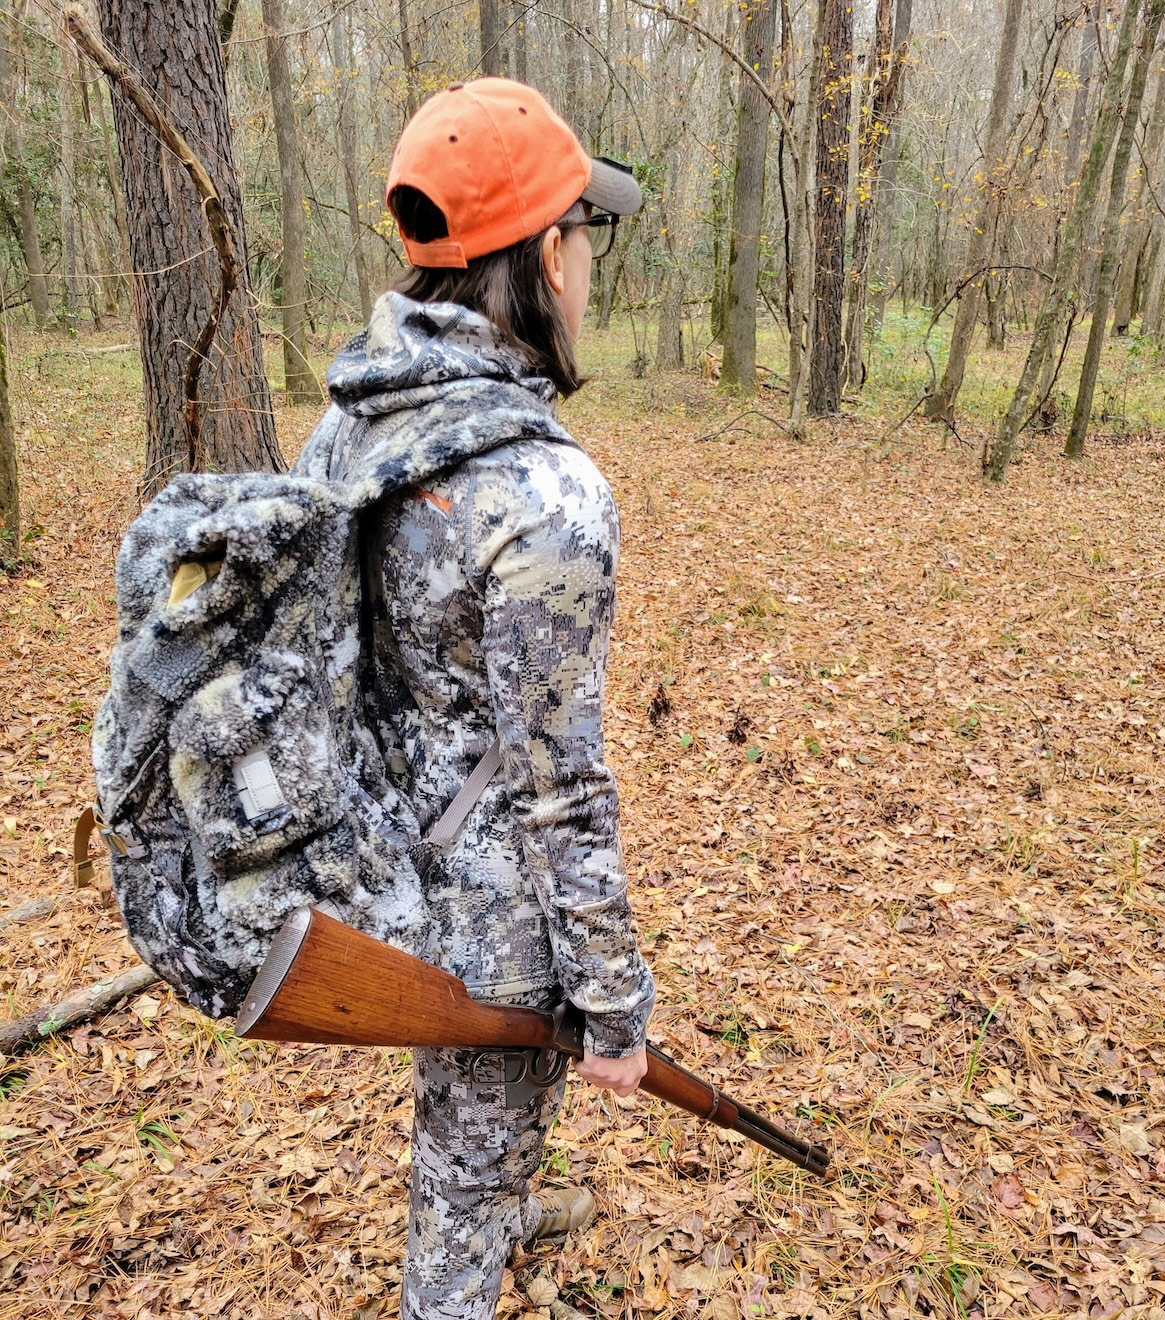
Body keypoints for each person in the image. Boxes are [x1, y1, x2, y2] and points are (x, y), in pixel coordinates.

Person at [291, 79, 656, 1319]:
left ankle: (494, 1201)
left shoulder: (350, 431)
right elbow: (561, 787)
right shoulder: (547, 498)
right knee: (467, 1170)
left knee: (465, 1138)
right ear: (547, 255)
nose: (589, 265)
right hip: (491, 929)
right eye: (584, 236)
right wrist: (613, 1006)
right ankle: (464, 1254)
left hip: (375, 884)